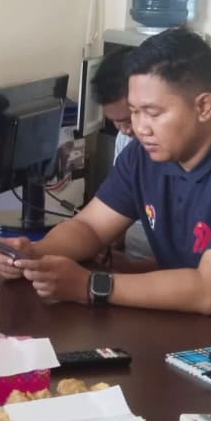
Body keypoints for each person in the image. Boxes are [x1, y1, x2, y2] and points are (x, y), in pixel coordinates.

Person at [0, 28, 211, 354]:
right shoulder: (144, 156)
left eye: (153, 113)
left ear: (203, 107)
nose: (140, 128)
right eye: (134, 112)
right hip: (192, 330)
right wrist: (36, 255)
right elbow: (90, 227)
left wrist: (90, 284)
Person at [89, 50, 153, 262]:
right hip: (130, 257)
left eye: (128, 119)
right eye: (116, 122)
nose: (126, 129)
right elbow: (116, 209)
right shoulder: (127, 142)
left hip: (156, 269)